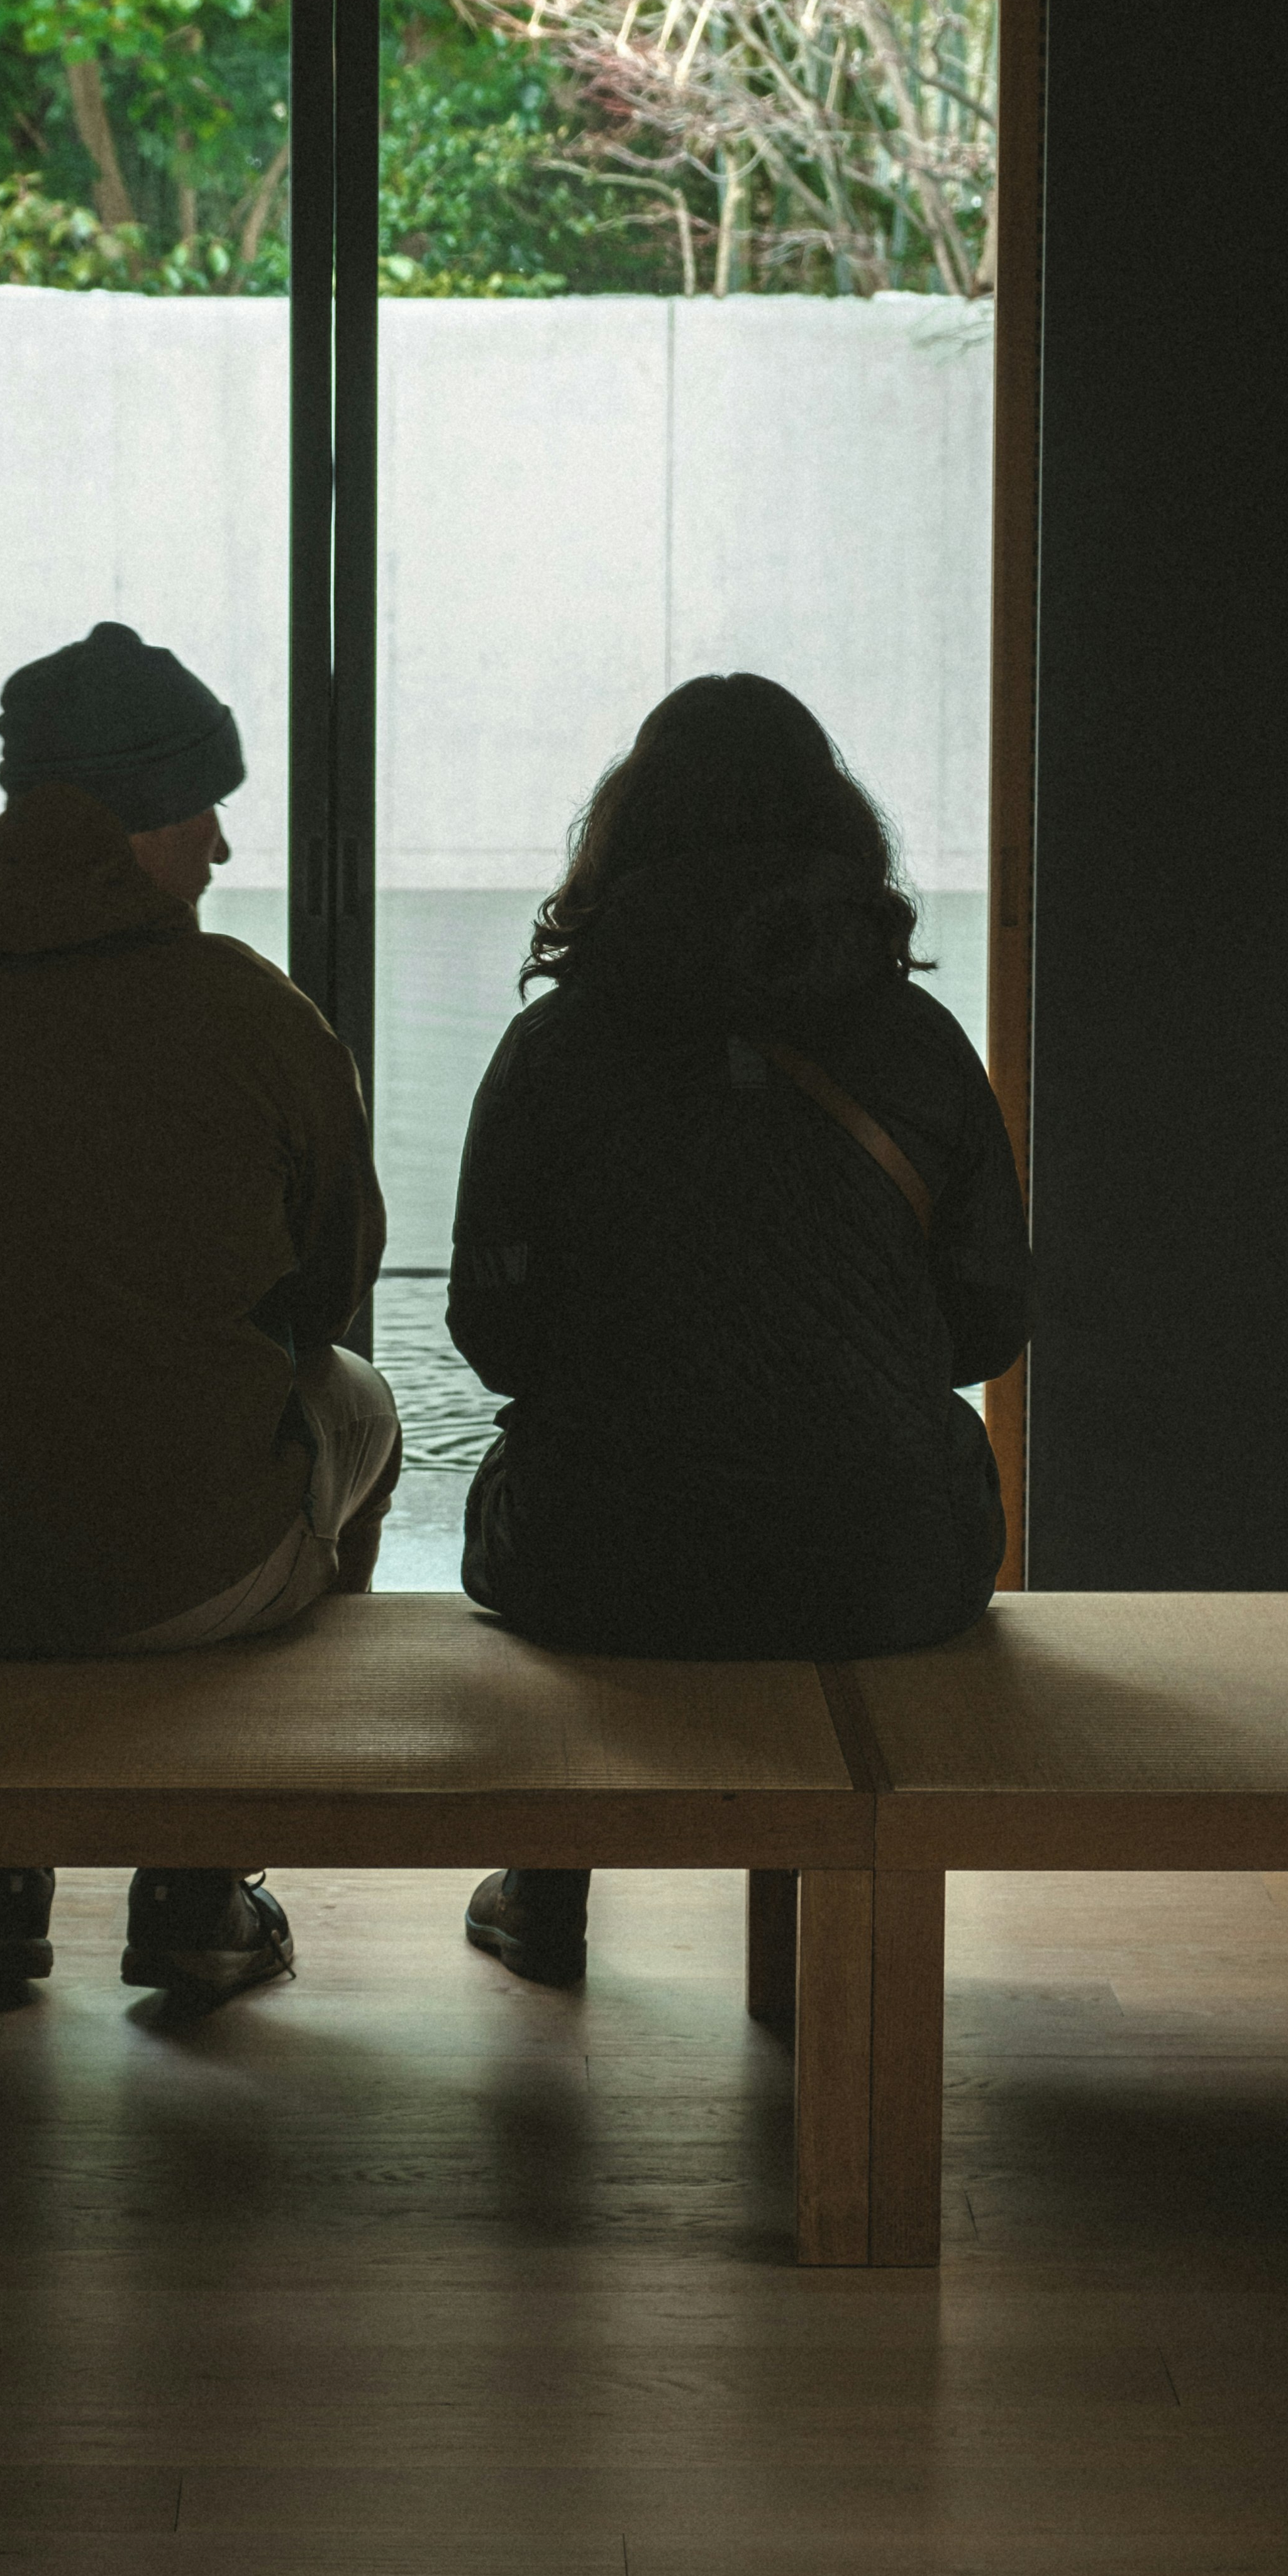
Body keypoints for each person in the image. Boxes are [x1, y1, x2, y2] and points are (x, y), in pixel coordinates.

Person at [0, 622, 397, 2010]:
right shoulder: (251, 1014)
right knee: (363, 1408)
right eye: (202, 807)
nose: (222, 848)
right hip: (176, 1571)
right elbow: (333, 1296)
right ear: (138, 815)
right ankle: (199, 1884)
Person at [446, 672, 1031, 1984]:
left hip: (597, 1563)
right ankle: (815, 1964)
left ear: (625, 839)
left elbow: (490, 1330)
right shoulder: (919, 1045)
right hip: (882, 1564)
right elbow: (990, 1323)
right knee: (840, 1475)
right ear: (839, 840)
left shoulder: (554, 1054)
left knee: (559, 1471)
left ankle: (545, 1889)